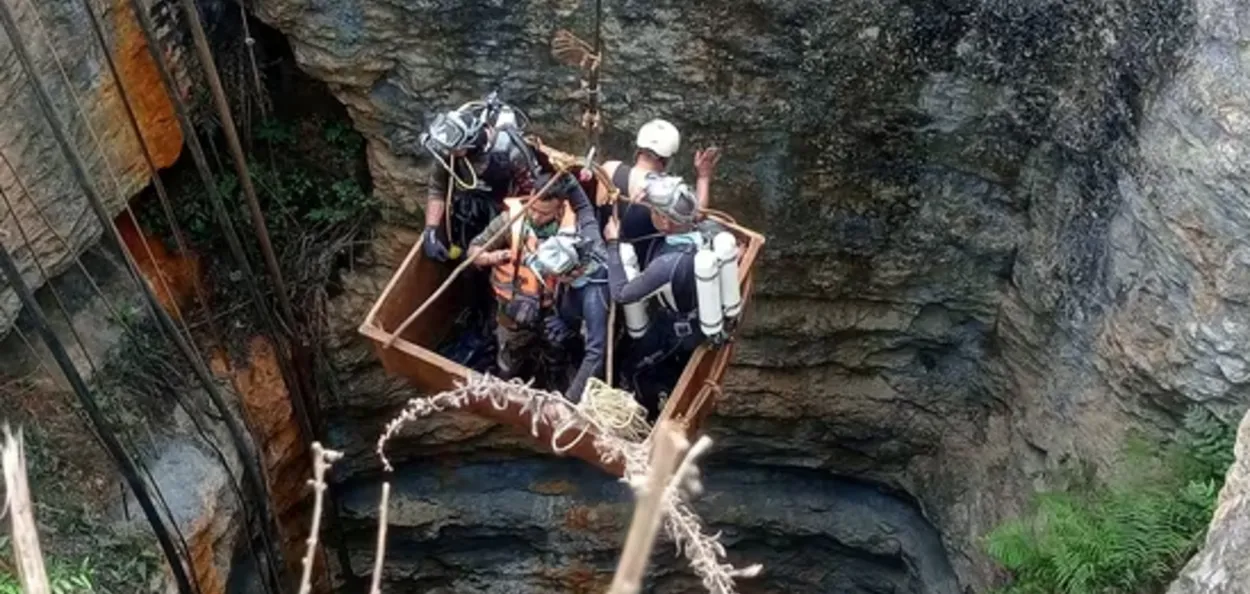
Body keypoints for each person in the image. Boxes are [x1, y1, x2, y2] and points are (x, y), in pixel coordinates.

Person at [467, 171, 607, 402]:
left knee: (556, 351)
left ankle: (555, 386)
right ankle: (503, 389)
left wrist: (569, 319)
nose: (534, 215)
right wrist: (492, 257)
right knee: (509, 354)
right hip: (513, 309)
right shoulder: (512, 220)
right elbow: (474, 250)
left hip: (554, 312)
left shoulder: (575, 232)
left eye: (543, 213)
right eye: (532, 207)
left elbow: (589, 276)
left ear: (560, 208)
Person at [603, 173, 727, 413]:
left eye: (654, 211)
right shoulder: (708, 228)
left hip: (677, 333)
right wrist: (703, 176)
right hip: (699, 315)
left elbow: (622, 293)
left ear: (665, 221)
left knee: (633, 369)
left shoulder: (665, 266)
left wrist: (612, 245)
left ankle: (649, 416)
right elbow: (700, 211)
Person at [418, 93, 540, 262]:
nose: (449, 153)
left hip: (503, 216)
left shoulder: (511, 152)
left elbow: (533, 194)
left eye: (454, 150)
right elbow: (437, 189)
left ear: (469, 143)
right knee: (464, 252)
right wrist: (430, 231)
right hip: (468, 213)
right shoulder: (450, 152)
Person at [600, 119, 721, 262]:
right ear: (665, 160)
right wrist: (703, 176)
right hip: (640, 263)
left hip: (604, 251)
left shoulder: (609, 169)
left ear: (639, 150)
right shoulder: (665, 196)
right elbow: (696, 215)